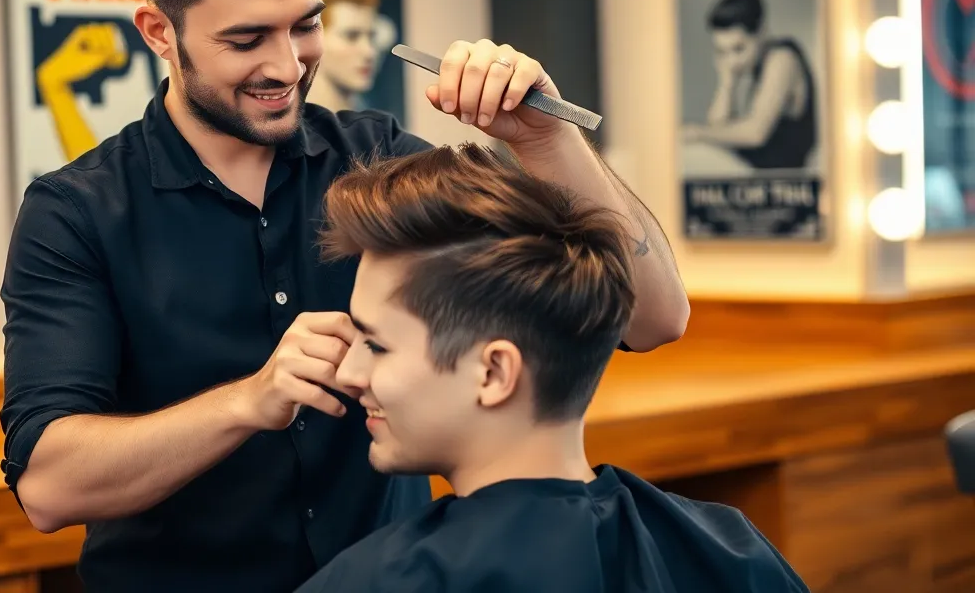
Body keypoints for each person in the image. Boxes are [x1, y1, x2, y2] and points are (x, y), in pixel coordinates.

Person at [0, 0, 690, 593]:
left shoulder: (380, 161)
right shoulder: (74, 214)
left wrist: (545, 142)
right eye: (245, 39)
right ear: (159, 33)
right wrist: (250, 400)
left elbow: (653, 316)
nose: (287, 64)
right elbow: (49, 487)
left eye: (305, 24)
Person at [296, 143, 808, 592]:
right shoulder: (734, 552)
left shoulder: (375, 582)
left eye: (378, 345)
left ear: (494, 373)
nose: (348, 373)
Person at [682, 0, 817, 177]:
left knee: (694, 150)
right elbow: (717, 127)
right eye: (722, 51)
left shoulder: (782, 58)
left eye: (739, 49)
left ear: (761, 32)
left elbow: (756, 133)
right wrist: (726, 82)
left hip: (781, 184)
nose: (732, 61)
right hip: (757, 178)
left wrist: (697, 132)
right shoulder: (755, 65)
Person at [309, 0, 381, 112]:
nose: (369, 52)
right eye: (351, 36)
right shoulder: (283, 128)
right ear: (312, 39)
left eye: (372, 37)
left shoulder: (373, 128)